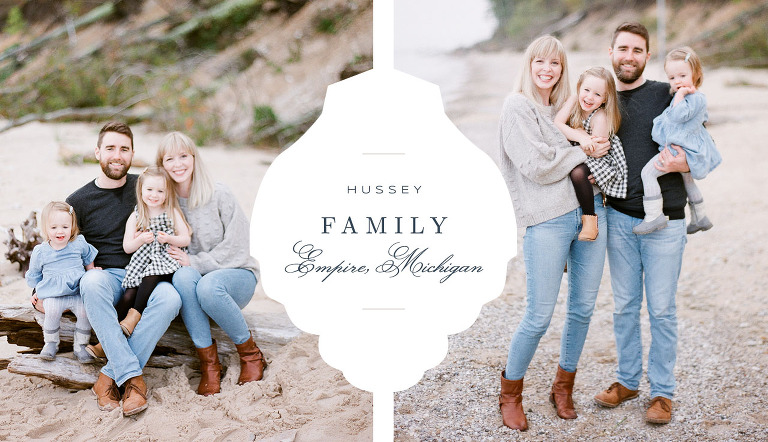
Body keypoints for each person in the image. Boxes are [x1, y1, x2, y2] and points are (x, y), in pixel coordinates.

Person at [497, 35, 609, 431]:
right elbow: (537, 165)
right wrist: (584, 151)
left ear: (564, 69)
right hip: (546, 220)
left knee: (582, 309)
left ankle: (563, 388)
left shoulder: (567, 109)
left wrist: (593, 150)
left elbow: (602, 142)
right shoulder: (517, 107)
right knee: (539, 314)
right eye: (540, 62)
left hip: (592, 214)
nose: (547, 70)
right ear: (528, 64)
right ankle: (510, 392)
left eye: (556, 64)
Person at [593, 22, 689, 425]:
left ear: (647, 56)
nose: (628, 56)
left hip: (666, 220)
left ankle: (662, 393)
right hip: (618, 219)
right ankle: (628, 380)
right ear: (611, 53)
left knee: (662, 310)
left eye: (636, 50)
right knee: (625, 307)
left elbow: (702, 146)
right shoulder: (601, 99)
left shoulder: (667, 94)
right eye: (622, 49)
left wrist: (685, 162)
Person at [66, 121, 182, 417]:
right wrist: (38, 289)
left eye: (124, 149)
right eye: (110, 148)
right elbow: (61, 248)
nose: (117, 155)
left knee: (171, 299)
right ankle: (134, 379)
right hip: (108, 276)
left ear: (132, 154)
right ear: (97, 152)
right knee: (91, 282)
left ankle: (106, 378)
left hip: (150, 275)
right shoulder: (78, 201)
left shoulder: (144, 186)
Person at [156, 131, 263, 396]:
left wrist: (196, 261)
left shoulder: (218, 193)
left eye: (184, 156)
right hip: (196, 283)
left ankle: (250, 354)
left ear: (194, 158)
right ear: (162, 165)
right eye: (170, 159)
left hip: (236, 276)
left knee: (206, 285)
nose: (178, 164)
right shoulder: (164, 204)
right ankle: (210, 366)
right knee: (183, 278)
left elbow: (239, 246)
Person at [632, 46, 721, 234]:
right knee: (688, 181)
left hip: (678, 148)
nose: (677, 82)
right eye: (672, 78)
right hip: (685, 146)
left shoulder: (693, 98)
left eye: (682, 76)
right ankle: (700, 217)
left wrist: (679, 95)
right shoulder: (692, 97)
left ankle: (654, 216)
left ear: (695, 74)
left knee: (648, 174)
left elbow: (678, 116)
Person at [555, 66, 629, 241]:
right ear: (579, 87)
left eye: (597, 94)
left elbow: (595, 151)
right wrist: (580, 135)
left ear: (605, 99)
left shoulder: (600, 117)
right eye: (586, 90)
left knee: (578, 173)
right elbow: (558, 123)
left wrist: (580, 138)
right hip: (579, 150)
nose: (589, 97)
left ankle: (590, 220)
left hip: (597, 158)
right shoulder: (573, 100)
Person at [119, 166, 191, 336]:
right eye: (149, 189)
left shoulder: (171, 212)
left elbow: (185, 238)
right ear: (141, 189)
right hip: (143, 263)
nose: (154, 195)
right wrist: (140, 239)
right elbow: (127, 247)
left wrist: (169, 239)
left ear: (167, 193)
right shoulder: (137, 215)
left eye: (160, 191)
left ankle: (133, 318)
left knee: (152, 273)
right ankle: (108, 334)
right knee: (129, 295)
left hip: (166, 261)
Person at [26, 201, 97, 363]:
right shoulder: (41, 251)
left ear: (72, 226)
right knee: (51, 311)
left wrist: (92, 271)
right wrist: (36, 292)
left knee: (85, 313)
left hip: (76, 291)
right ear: (45, 228)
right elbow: (36, 274)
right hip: (53, 294)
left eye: (65, 227)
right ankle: (50, 343)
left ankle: (81, 346)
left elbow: (88, 257)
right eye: (54, 228)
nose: (60, 231)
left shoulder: (78, 243)